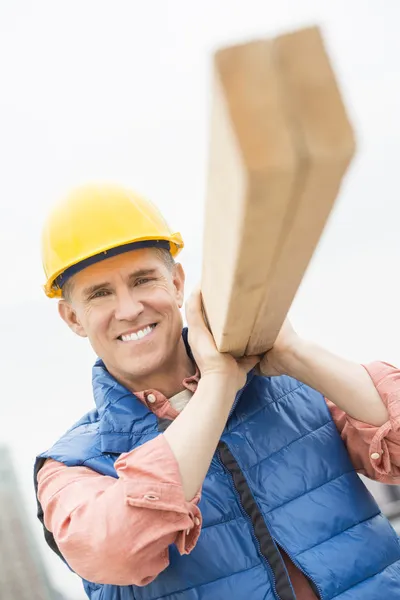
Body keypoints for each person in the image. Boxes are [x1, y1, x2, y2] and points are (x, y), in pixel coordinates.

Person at [34, 184, 400, 600]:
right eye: (100, 294)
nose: (129, 308)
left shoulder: (289, 387)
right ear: (72, 318)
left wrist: (296, 353)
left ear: (175, 282)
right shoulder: (71, 467)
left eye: (143, 280)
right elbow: (116, 550)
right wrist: (219, 384)